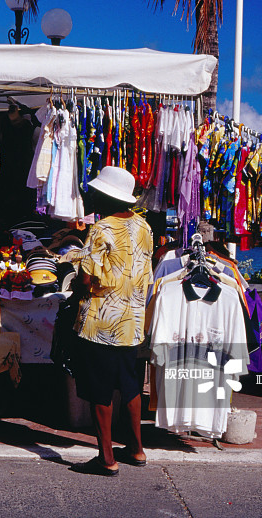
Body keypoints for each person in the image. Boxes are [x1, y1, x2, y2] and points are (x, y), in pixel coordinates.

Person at [68, 166, 153, 476]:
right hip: (131, 321)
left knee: (100, 391)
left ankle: (106, 458)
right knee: (130, 388)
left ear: (105, 196)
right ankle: (136, 449)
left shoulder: (101, 229)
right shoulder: (145, 227)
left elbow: (87, 277)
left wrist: (76, 282)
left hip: (101, 321)